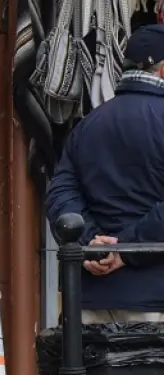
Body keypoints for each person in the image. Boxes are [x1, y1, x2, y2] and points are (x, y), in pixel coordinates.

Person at [46, 24, 164, 323]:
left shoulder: (87, 125)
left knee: (83, 371)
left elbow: (60, 195)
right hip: (153, 300)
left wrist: (91, 245)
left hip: (86, 298)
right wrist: (125, 250)